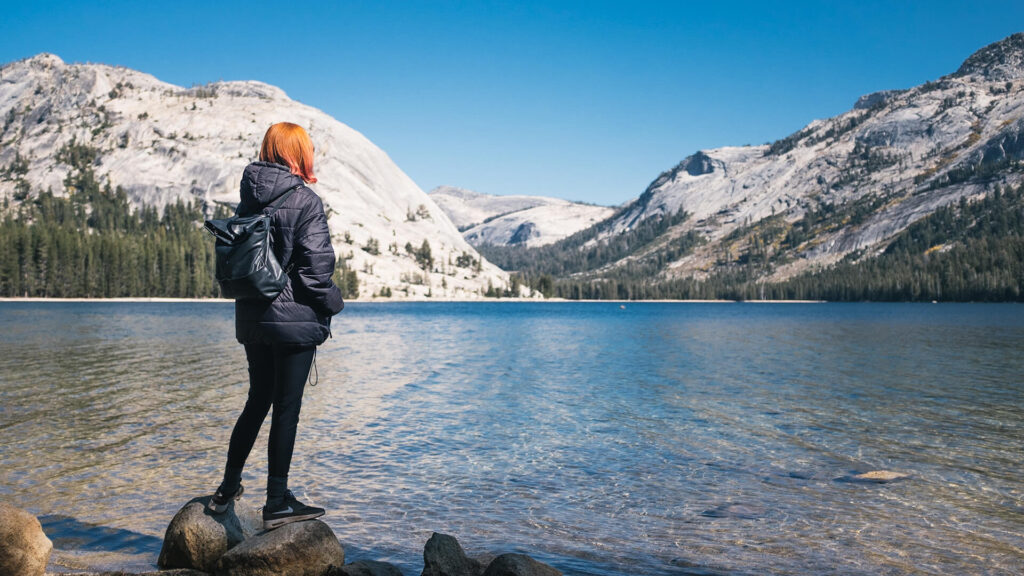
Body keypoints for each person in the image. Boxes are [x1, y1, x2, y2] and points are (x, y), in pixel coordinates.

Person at [207, 122, 345, 530]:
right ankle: (277, 501)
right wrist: (335, 305)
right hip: (293, 322)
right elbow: (315, 273)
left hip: (253, 318)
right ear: (297, 153)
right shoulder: (305, 201)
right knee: (287, 407)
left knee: (257, 401)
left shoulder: (247, 200)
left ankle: (226, 489)